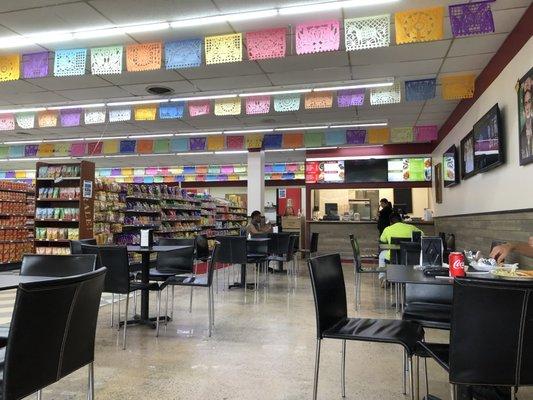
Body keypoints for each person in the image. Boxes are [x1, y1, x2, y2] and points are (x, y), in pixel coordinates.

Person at [378, 213, 423, 284]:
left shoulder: (387, 229)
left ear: (390, 222)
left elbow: (382, 241)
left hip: (394, 256)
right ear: (402, 220)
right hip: (411, 257)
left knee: (382, 255)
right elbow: (423, 236)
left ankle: (383, 278)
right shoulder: (412, 227)